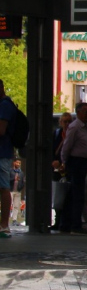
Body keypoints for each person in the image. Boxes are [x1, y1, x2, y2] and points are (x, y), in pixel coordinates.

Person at [54, 102, 87, 234]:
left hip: (81, 162)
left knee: (74, 194)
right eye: (86, 112)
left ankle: (67, 224)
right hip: (76, 162)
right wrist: (65, 162)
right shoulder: (75, 127)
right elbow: (67, 146)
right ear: (78, 113)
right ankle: (74, 225)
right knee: (76, 194)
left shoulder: (84, 127)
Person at [0, 78, 18, 238]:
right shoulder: (6, 104)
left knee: (4, 187)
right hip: (4, 152)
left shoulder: (5, 105)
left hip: (2, 153)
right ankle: (3, 224)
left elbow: (1, 130)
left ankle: (4, 225)